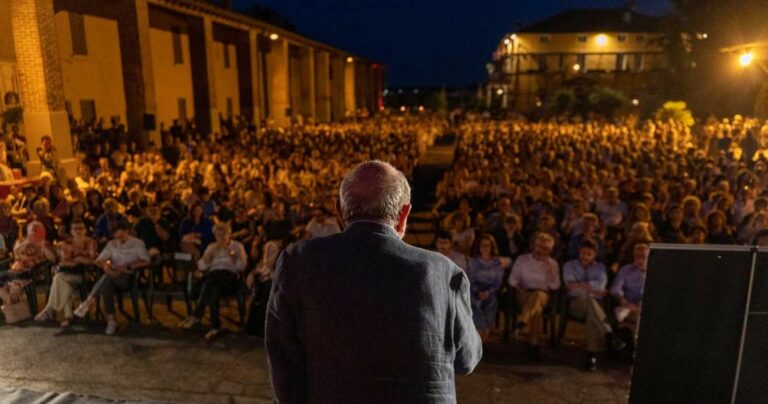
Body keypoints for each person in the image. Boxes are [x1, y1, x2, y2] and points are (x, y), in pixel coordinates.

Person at [266, 160, 481, 402]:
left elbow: (283, 361)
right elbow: (468, 359)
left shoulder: (299, 261)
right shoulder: (445, 273)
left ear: (339, 213)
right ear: (404, 214)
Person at [74, 221, 150, 335]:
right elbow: (99, 260)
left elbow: (146, 261)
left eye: (121, 236)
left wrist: (128, 266)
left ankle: (89, 302)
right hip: (112, 273)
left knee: (107, 279)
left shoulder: (137, 243)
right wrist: (106, 266)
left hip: (128, 275)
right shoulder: (112, 244)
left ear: (126, 231)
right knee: (107, 284)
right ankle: (111, 320)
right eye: (116, 236)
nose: (119, 239)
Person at [178, 222, 247, 340]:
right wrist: (208, 256)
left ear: (229, 234)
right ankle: (215, 326)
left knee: (210, 279)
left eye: (223, 234)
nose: (221, 238)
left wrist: (229, 252)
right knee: (213, 289)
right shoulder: (211, 247)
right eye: (218, 235)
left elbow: (242, 266)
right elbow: (201, 267)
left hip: (229, 278)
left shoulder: (237, 246)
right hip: (213, 278)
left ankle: (196, 315)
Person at [562, 239, 617, 371]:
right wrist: (593, 288)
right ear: (579, 252)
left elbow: (601, 286)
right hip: (576, 304)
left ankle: (592, 357)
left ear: (595, 255)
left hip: (595, 306)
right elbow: (570, 287)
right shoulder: (569, 266)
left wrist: (580, 285)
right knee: (591, 303)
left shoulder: (600, 268)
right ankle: (609, 335)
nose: (585, 257)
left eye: (589, 254)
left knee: (591, 314)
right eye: (582, 253)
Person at [508, 232, 561, 361]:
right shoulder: (522, 260)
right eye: (539, 246)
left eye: (545, 248)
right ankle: (534, 346)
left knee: (537, 296)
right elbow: (512, 280)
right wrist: (521, 290)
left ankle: (523, 322)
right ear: (534, 245)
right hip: (524, 293)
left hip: (543, 295)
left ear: (550, 250)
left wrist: (549, 269)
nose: (541, 251)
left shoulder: (553, 264)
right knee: (536, 310)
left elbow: (555, 286)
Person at [34, 220, 97, 327]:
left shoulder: (90, 242)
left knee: (58, 278)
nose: (78, 231)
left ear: (85, 230)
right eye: (75, 228)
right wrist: (78, 259)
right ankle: (68, 317)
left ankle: (50, 310)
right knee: (61, 282)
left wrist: (79, 260)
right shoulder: (66, 243)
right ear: (71, 231)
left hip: (83, 274)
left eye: (81, 228)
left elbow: (93, 260)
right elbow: (60, 260)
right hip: (67, 274)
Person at [0, 221, 56, 313]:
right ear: (28, 230)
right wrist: (27, 242)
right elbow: (16, 251)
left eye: (37, 229)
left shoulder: (44, 244)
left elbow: (53, 259)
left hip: (32, 273)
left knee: (13, 286)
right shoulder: (21, 241)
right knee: (7, 283)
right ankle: (10, 303)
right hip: (15, 272)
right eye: (32, 229)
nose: (34, 231)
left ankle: (11, 306)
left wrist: (43, 247)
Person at [467, 233, 512, 341]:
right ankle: (479, 340)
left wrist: (488, 291)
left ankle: (484, 340)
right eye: (482, 245)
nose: (485, 248)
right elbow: (471, 279)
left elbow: (498, 281)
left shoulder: (497, 263)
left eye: (488, 245)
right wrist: (479, 292)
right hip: (475, 290)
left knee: (491, 303)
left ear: (492, 247)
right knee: (476, 304)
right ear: (479, 247)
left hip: (491, 291)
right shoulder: (473, 262)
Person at [611, 243, 650, 327]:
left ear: (649, 257)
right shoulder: (625, 270)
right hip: (627, 306)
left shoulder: (654, 271)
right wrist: (623, 301)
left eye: (643, 256)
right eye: (637, 256)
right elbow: (615, 289)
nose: (640, 260)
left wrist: (640, 305)